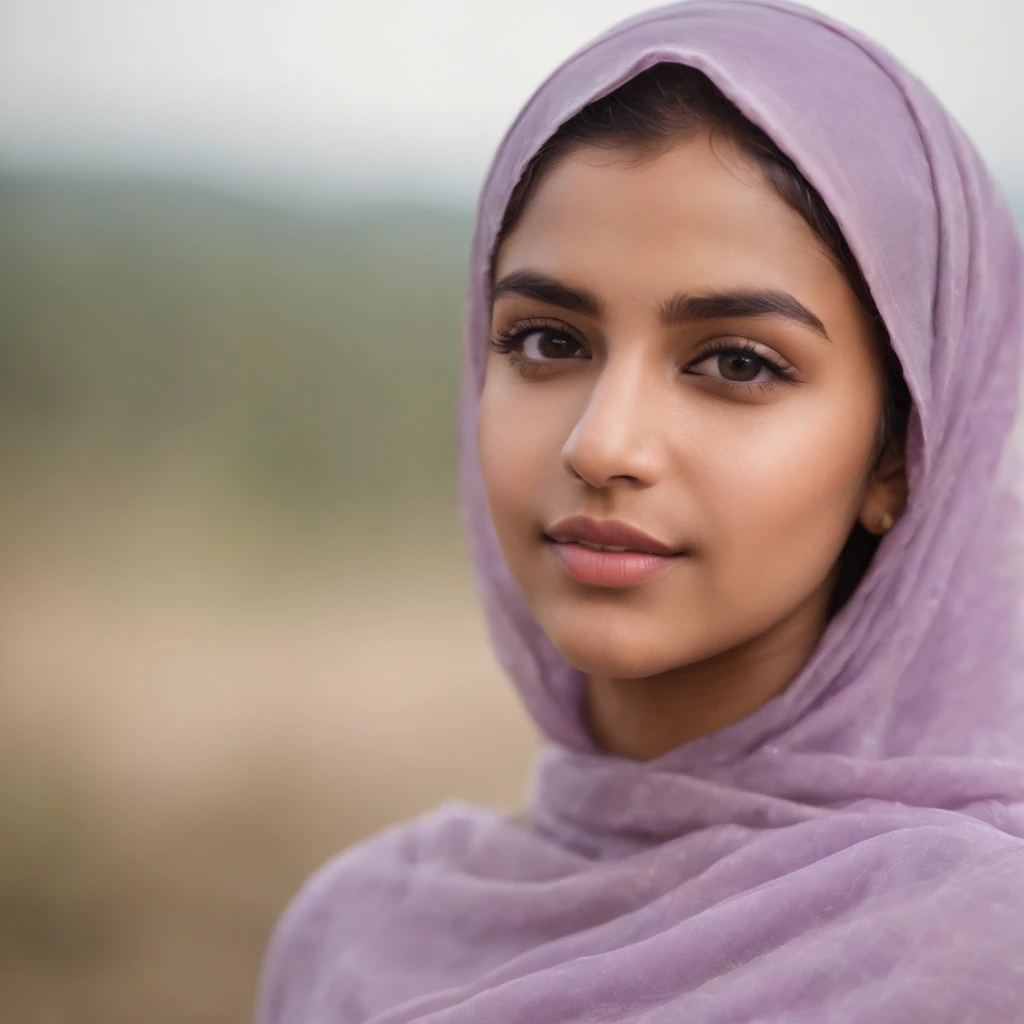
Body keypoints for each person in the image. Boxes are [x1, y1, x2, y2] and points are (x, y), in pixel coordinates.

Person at [255, 2, 1024, 1020]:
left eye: (735, 362)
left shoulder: (971, 947)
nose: (602, 444)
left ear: (898, 453)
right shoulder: (355, 931)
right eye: (546, 342)